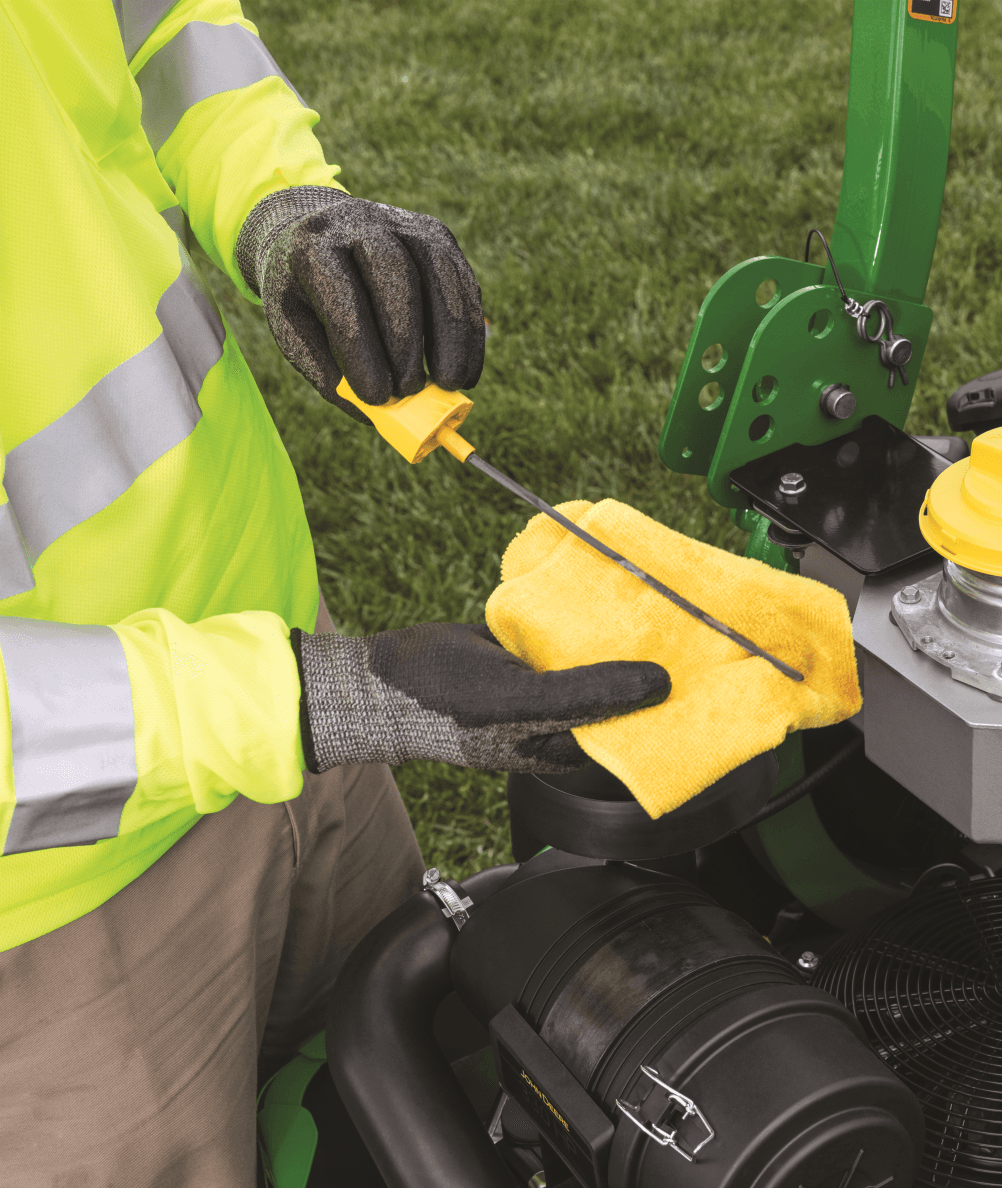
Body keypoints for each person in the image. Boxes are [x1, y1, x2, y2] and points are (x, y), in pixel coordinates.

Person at [0, 3, 670, 1184]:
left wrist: (280, 204)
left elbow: (150, 30)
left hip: (282, 697)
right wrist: (313, 701)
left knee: (430, 1119)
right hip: (58, 906)